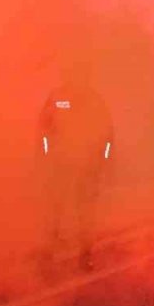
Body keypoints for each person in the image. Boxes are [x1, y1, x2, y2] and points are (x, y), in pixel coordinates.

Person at [38, 68, 114, 271]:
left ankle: (84, 254)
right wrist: (46, 155)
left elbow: (107, 134)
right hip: (62, 164)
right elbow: (44, 129)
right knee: (57, 209)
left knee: (83, 212)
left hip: (86, 166)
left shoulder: (93, 101)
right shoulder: (60, 98)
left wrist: (103, 159)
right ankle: (49, 253)